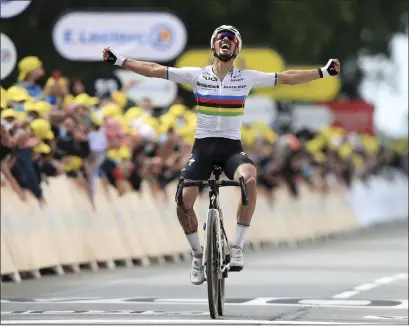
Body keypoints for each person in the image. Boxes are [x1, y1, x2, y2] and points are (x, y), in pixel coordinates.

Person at [102, 25, 341, 285]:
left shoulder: (247, 78)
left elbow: (288, 77)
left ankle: (237, 247)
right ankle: (197, 254)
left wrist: (324, 71)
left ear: (237, 49)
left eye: (231, 39)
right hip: (202, 149)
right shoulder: (196, 76)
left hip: (231, 150)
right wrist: (120, 60)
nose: (226, 42)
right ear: (213, 46)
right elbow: (155, 70)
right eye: (221, 39)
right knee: (183, 201)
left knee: (249, 179)